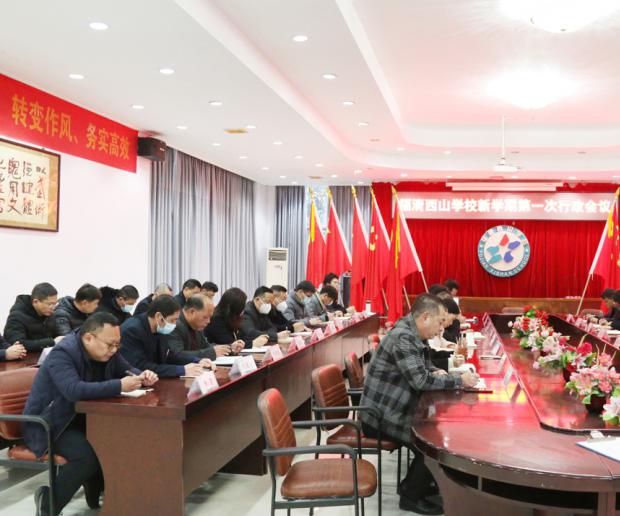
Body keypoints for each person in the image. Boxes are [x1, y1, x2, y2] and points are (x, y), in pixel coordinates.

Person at [23, 312, 159, 516]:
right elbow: (73, 390)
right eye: (110, 345)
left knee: (123, 440)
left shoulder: (106, 351)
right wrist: (119, 385)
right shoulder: (62, 354)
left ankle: (106, 492)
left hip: (84, 418)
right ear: (88, 338)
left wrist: (143, 376)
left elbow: (127, 369)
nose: (114, 350)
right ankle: (48, 504)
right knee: (86, 456)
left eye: (117, 345)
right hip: (51, 424)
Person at [360, 293, 479, 515]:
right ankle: (411, 496)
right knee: (433, 443)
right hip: (380, 414)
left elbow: (424, 366)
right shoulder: (403, 337)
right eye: (439, 322)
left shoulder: (413, 332)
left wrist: (438, 371)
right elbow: (421, 381)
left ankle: (417, 485)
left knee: (435, 432)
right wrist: (458, 380)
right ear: (425, 317)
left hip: (395, 407)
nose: (441, 329)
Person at [120, 295, 213, 377]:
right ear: (159, 316)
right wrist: (182, 370)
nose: (175, 324)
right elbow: (141, 366)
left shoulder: (160, 327)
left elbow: (169, 355)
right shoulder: (132, 330)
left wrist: (197, 360)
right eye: (173, 320)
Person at [166, 294, 242, 360]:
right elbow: (177, 355)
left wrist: (229, 347)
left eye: (210, 317)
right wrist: (212, 353)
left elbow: (206, 346)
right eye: (205, 317)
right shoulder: (174, 324)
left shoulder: (196, 325)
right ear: (192, 311)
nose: (208, 321)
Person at [3, 282, 62, 351]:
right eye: (50, 304)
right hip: (25, 357)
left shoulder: (49, 314)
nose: (53, 307)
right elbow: (18, 344)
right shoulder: (17, 316)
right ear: (35, 302)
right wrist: (51, 342)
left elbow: (57, 336)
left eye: (55, 304)